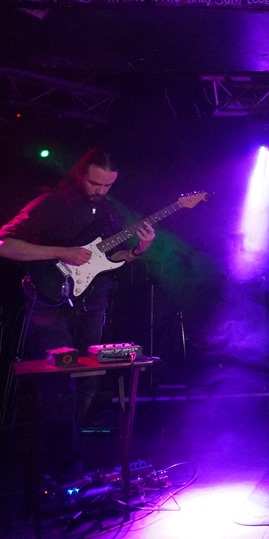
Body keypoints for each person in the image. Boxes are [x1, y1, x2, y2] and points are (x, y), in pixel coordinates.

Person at [0, 147, 155, 479]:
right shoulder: (50, 204)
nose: (100, 190)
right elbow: (5, 244)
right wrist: (61, 252)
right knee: (58, 385)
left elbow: (110, 259)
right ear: (79, 174)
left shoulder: (110, 212)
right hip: (49, 300)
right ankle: (61, 471)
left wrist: (137, 251)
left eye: (107, 185)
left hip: (92, 303)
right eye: (94, 183)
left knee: (87, 384)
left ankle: (66, 463)